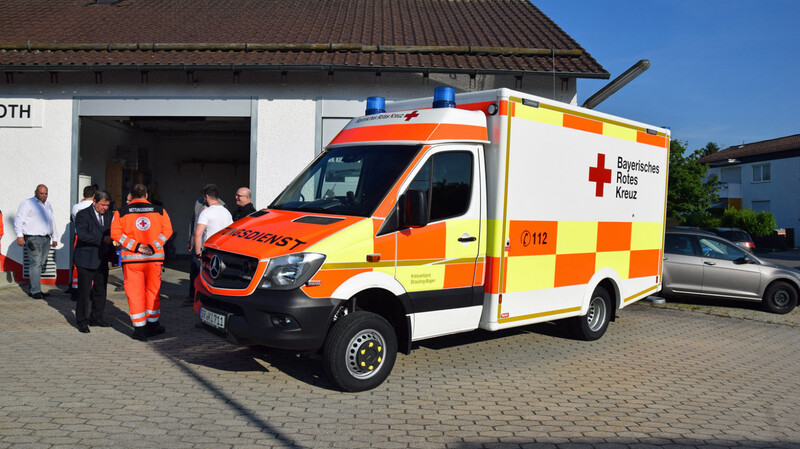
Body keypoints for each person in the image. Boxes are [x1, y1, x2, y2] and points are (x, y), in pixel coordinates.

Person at [110, 184, 173, 341]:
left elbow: (115, 234)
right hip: (154, 259)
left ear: (131, 195)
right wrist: (152, 247)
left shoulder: (121, 212)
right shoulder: (159, 211)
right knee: (153, 292)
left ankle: (140, 330)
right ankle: (152, 324)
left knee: (135, 294)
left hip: (132, 260)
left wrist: (136, 246)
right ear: (146, 195)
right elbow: (167, 231)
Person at [73, 191, 114, 333]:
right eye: (103, 205)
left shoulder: (109, 214)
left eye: (107, 205)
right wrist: (103, 239)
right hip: (86, 258)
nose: (105, 208)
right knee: (84, 292)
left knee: (100, 290)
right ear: (95, 202)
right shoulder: (83, 214)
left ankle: (96, 317)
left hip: (102, 257)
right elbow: (83, 234)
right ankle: (82, 320)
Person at [187, 184, 233, 305]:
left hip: (209, 252)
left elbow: (197, 234)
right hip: (222, 252)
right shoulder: (226, 212)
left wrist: (198, 253)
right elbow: (231, 233)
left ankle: (202, 306)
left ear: (206, 197)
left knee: (204, 282)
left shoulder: (206, 212)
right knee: (217, 282)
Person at [14, 184, 59, 299]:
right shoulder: (28, 203)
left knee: (41, 263)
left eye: (46, 193)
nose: (44, 196)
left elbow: (51, 221)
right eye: (41, 193)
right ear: (35, 192)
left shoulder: (48, 205)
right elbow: (19, 219)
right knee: (35, 263)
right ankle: (35, 291)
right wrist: (19, 235)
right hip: (33, 238)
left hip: (45, 238)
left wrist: (54, 236)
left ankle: (35, 288)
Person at [67, 185, 97, 296]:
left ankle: (75, 287)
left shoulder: (76, 207)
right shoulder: (95, 206)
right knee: (92, 262)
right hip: (93, 237)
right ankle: (91, 287)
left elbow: (73, 219)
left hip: (79, 237)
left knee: (77, 262)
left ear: (83, 195)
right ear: (94, 195)